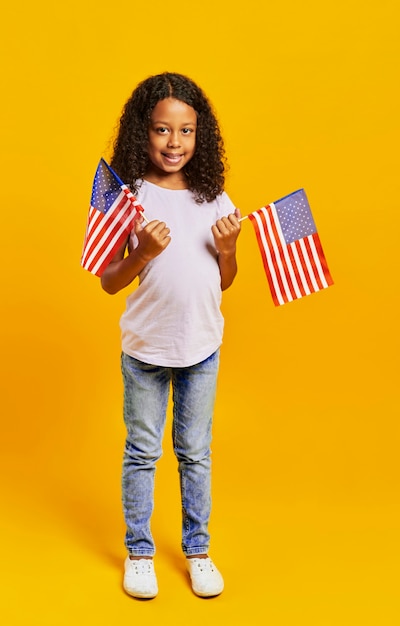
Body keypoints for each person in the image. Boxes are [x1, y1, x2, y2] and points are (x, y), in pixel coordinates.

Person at [100, 72, 241, 599]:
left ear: (199, 137)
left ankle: (198, 550)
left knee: (195, 451)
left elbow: (225, 279)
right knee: (141, 450)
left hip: (201, 346)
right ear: (144, 133)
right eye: (162, 130)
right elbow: (109, 281)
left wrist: (228, 250)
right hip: (145, 350)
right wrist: (142, 253)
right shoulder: (129, 198)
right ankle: (140, 553)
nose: (174, 143)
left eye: (185, 132)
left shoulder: (215, 198)